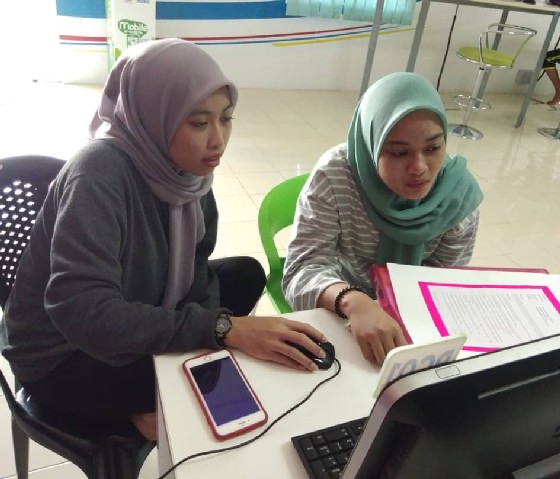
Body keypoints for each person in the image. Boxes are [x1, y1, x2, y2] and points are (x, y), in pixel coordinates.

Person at [0, 38, 328, 441]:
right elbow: (84, 312)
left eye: (226, 118)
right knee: (209, 381)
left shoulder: (189, 173)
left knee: (245, 274)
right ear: (155, 115)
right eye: (199, 123)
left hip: (135, 299)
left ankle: (157, 395)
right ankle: (136, 412)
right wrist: (222, 330)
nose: (218, 140)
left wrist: (215, 331)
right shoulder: (97, 175)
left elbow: (196, 267)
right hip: (62, 352)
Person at [282, 72, 483, 366]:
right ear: (371, 144)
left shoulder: (457, 197)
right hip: (339, 306)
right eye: (399, 152)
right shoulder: (336, 177)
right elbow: (301, 271)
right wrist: (354, 301)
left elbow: (442, 284)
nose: (419, 167)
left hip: (411, 318)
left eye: (433, 148)